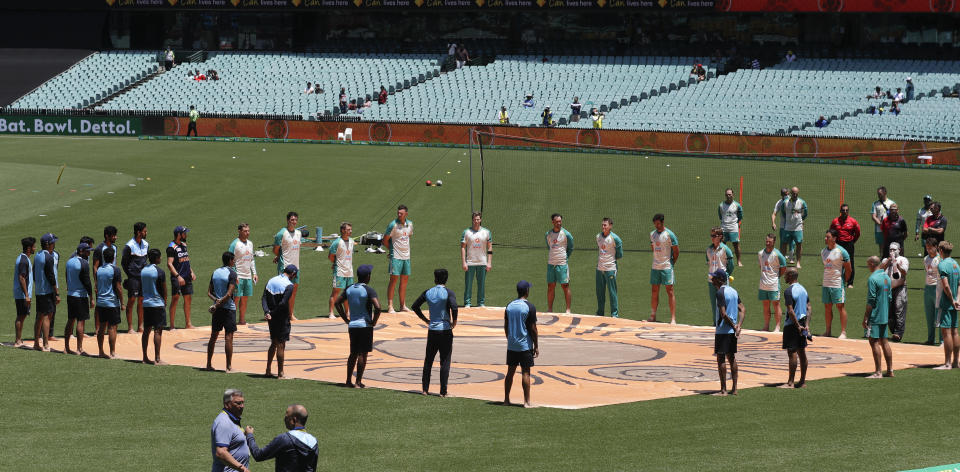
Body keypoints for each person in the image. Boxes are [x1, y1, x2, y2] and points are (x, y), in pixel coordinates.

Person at [411, 268, 458, 397]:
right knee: (445, 361)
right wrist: (454, 322)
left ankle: (425, 389)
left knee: (428, 361)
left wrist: (425, 319)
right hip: (445, 330)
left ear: (435, 279)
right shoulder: (448, 292)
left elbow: (415, 306)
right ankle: (443, 392)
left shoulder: (428, 292)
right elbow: (454, 307)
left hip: (432, 330)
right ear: (446, 279)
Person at [334, 264, 381, 388]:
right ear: (367, 277)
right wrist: (374, 322)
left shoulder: (349, 288)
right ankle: (358, 382)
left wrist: (345, 318)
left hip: (353, 325)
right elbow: (378, 307)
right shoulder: (369, 290)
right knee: (362, 354)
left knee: (353, 353)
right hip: (365, 326)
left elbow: (337, 302)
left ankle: (348, 380)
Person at [244, 404, 318, 472]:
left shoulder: (284, 439)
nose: (284, 419)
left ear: (294, 420)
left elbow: (258, 455)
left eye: (286, 417)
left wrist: (249, 435)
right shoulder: (314, 441)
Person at [504, 280, 538, 407]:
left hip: (512, 345)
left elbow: (506, 326)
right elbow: (533, 328)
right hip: (525, 345)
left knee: (510, 372)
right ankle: (527, 401)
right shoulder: (529, 307)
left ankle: (506, 400)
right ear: (527, 291)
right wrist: (536, 345)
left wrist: (510, 339)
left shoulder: (509, 305)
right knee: (526, 372)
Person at [711, 269, 743, 396]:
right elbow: (743, 309)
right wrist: (738, 326)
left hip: (723, 331)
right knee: (732, 358)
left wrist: (734, 326)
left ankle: (723, 390)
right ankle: (734, 389)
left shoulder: (720, 292)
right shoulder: (734, 291)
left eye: (714, 278)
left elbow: (723, 314)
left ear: (720, 279)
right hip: (732, 331)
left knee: (721, 358)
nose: (712, 280)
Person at [262, 265, 297, 379]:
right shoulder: (289, 285)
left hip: (271, 318)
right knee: (281, 344)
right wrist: (272, 313)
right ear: (292, 274)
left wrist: (267, 312)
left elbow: (263, 298)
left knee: (274, 342)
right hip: (281, 317)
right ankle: (280, 373)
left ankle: (268, 369)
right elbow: (283, 303)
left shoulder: (272, 280)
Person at [206, 252, 239, 372]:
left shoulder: (215, 272)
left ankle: (208, 364)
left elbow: (209, 292)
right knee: (228, 337)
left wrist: (216, 302)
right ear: (230, 260)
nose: (234, 262)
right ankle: (228, 366)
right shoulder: (232, 273)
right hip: (229, 309)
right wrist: (220, 302)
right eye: (233, 260)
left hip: (217, 309)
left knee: (213, 337)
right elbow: (229, 293)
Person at [863, 256, 893, 378]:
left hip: (875, 315)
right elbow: (890, 297)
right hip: (884, 314)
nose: (867, 266)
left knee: (874, 341)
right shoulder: (886, 277)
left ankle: (878, 372)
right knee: (884, 341)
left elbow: (871, 300)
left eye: (867, 264)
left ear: (871, 264)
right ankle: (890, 370)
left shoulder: (872, 279)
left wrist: (866, 317)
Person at [780, 267, 810, 388]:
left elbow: (791, 311)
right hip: (802, 323)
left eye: (786, 275)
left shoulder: (788, 291)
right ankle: (802, 381)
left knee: (792, 352)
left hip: (793, 325)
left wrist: (797, 326)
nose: (784, 277)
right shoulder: (803, 289)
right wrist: (806, 325)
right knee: (802, 352)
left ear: (791, 276)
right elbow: (809, 307)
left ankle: (790, 382)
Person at [64, 242, 94, 355]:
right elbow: (87, 282)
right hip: (80, 296)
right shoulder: (84, 263)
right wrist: (91, 297)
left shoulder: (69, 262)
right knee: (80, 322)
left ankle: (66, 348)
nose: (88, 253)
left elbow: (67, 276)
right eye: (87, 251)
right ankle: (79, 348)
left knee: (70, 320)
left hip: (70, 295)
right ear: (81, 251)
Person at [821, 229, 852, 339]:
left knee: (840, 307)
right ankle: (828, 331)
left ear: (834, 238)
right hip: (826, 283)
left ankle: (843, 332)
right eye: (826, 237)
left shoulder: (841, 251)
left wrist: (845, 281)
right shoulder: (823, 251)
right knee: (827, 307)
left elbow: (848, 268)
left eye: (828, 237)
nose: (825, 239)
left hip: (837, 283)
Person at [211, 389, 251, 472]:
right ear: (227, 404)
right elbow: (221, 453)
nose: (242, 406)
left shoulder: (232, 420)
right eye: (238, 403)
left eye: (243, 402)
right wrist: (242, 468)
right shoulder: (224, 422)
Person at [650, 213, 679, 323]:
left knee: (670, 291)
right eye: (655, 224)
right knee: (654, 290)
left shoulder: (669, 234)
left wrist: (672, 263)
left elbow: (676, 251)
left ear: (662, 222)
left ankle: (673, 318)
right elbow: (652, 247)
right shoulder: (652, 234)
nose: (656, 226)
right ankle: (652, 316)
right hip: (655, 266)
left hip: (667, 266)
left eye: (658, 223)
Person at [95, 247, 124, 359]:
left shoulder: (99, 270)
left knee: (101, 327)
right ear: (113, 258)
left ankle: (101, 351)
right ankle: (112, 352)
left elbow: (97, 286)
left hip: (101, 302)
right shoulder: (115, 270)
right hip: (112, 302)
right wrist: (122, 302)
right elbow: (118, 288)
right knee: (112, 328)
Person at [935, 241, 960, 370]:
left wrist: (951, 300)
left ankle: (947, 363)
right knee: (955, 332)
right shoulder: (956, 264)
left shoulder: (942, 265)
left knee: (946, 333)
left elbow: (945, 285)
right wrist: (957, 300)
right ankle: (956, 362)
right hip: (956, 303)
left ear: (940, 250)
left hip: (946, 303)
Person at [383, 205, 413, 313]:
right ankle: (390, 305)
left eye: (401, 213)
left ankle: (402, 305)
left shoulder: (410, 224)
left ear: (406, 214)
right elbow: (385, 240)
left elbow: (408, 237)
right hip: (395, 256)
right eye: (398, 213)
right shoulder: (393, 225)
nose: (399, 215)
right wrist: (391, 250)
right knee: (393, 280)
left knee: (404, 281)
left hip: (406, 257)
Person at [33, 233, 59, 352]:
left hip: (39, 290)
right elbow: (51, 276)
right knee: (47, 317)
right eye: (53, 242)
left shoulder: (37, 255)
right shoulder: (48, 257)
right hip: (47, 291)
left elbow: (33, 272)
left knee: (39, 316)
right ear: (48, 244)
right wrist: (56, 292)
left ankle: (36, 343)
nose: (54, 245)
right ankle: (46, 344)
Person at [140, 248, 167, 364]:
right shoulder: (160, 272)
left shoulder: (143, 271)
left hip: (146, 304)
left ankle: (145, 357)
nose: (161, 258)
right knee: (157, 331)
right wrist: (165, 301)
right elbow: (164, 289)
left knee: (146, 330)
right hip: (157, 304)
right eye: (160, 256)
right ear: (156, 258)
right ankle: (157, 358)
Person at [273, 212, 301, 320]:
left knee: (293, 291)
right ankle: (280, 314)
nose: (293, 222)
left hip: (296, 267)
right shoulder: (281, 233)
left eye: (295, 220)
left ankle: (290, 314)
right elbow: (275, 249)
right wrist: (278, 256)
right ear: (287, 220)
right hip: (285, 267)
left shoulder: (298, 233)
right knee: (283, 292)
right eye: (292, 220)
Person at [121, 222, 148, 334]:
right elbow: (124, 263)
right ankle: (130, 327)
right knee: (132, 300)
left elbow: (145, 260)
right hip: (133, 278)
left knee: (141, 301)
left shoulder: (146, 244)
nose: (146, 233)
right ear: (138, 232)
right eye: (144, 231)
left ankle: (140, 326)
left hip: (143, 278)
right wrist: (130, 275)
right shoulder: (129, 246)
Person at [92, 225, 119, 334]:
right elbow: (95, 266)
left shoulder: (115, 248)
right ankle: (98, 328)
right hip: (102, 280)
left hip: (113, 279)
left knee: (112, 302)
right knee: (100, 304)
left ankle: (109, 327)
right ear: (107, 236)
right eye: (114, 235)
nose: (116, 237)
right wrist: (96, 282)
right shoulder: (99, 248)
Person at [461, 212, 492, 308]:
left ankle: (481, 303)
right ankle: (467, 303)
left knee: (481, 285)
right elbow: (462, 247)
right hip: (470, 262)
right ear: (472, 220)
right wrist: (464, 262)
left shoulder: (486, 232)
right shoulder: (466, 232)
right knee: (468, 284)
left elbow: (490, 248)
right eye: (475, 219)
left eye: (478, 219)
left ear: (480, 220)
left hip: (482, 262)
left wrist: (489, 262)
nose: (476, 221)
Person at [167, 226, 196, 330]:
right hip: (177, 277)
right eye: (184, 233)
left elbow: (185, 260)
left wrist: (191, 272)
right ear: (179, 234)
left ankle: (188, 324)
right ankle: (172, 326)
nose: (186, 235)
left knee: (188, 298)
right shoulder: (171, 247)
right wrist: (178, 276)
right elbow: (170, 264)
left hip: (187, 276)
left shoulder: (184, 245)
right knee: (175, 299)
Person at [230, 223, 258, 325]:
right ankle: (231, 321)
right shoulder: (234, 244)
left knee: (245, 299)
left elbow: (251, 259)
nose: (247, 233)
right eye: (245, 231)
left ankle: (242, 320)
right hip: (238, 276)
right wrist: (234, 275)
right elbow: (230, 260)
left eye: (248, 231)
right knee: (236, 299)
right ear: (239, 231)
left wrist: (254, 273)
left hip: (247, 276)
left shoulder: (250, 243)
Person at [880, 242, 909, 342]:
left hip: (900, 287)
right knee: (888, 311)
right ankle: (893, 331)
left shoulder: (903, 259)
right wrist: (889, 260)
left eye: (894, 250)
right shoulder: (885, 259)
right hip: (887, 288)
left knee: (899, 309)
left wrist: (897, 264)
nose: (892, 251)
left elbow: (904, 272)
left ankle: (898, 333)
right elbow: (880, 269)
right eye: (890, 250)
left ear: (899, 250)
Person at [545, 213, 574, 313]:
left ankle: (568, 309)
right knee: (550, 286)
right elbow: (549, 246)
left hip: (562, 264)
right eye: (557, 221)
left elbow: (570, 247)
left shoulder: (566, 234)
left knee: (565, 286)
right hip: (551, 263)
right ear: (552, 222)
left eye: (560, 221)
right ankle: (549, 309)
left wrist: (565, 257)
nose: (559, 223)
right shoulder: (548, 234)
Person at [758, 233, 787, 332]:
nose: (767, 243)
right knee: (765, 305)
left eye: (769, 242)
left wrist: (776, 277)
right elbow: (760, 266)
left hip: (774, 284)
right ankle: (766, 326)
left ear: (774, 242)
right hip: (763, 284)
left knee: (776, 304)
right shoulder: (760, 253)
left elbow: (783, 268)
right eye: (766, 241)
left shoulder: (778, 254)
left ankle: (777, 327)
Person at [595, 217, 623, 317]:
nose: (603, 227)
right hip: (599, 268)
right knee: (600, 292)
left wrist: (610, 261)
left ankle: (614, 314)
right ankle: (600, 312)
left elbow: (619, 255)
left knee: (612, 292)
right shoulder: (598, 236)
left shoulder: (615, 239)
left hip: (610, 268)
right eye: (602, 225)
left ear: (610, 226)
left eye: (605, 225)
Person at [707, 226, 735, 322]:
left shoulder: (725, 249)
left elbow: (731, 265)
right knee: (713, 304)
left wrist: (725, 275)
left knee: (723, 303)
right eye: (711, 235)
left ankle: (725, 322)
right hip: (711, 280)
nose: (712, 237)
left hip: (722, 282)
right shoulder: (709, 249)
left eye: (714, 235)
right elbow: (708, 262)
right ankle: (715, 323)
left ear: (720, 236)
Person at [328, 222, 355, 319]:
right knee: (336, 291)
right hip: (339, 271)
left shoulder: (351, 241)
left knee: (348, 292)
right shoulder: (337, 242)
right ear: (343, 230)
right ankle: (331, 312)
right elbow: (331, 256)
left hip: (349, 271)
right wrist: (335, 263)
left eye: (350, 230)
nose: (350, 231)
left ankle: (347, 312)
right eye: (348, 230)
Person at [830, 204, 861, 287]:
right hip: (838, 244)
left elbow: (857, 233)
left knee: (850, 263)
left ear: (848, 211)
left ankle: (850, 283)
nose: (845, 212)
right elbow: (831, 232)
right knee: (837, 262)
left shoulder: (853, 221)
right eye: (843, 210)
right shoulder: (835, 221)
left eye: (846, 210)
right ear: (840, 211)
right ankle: (838, 281)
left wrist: (852, 241)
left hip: (849, 244)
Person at [13, 237, 35, 347]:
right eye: (33, 246)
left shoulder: (24, 258)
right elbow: (22, 278)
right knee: (21, 316)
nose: (35, 248)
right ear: (28, 248)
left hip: (22, 293)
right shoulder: (23, 260)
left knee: (22, 316)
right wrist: (26, 295)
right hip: (22, 294)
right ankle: (18, 341)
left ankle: (19, 339)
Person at [780, 187, 808, 268]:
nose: (795, 195)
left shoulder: (802, 202)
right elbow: (783, 212)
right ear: (791, 193)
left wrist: (801, 220)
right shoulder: (785, 202)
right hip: (787, 227)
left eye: (796, 194)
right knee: (784, 244)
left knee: (799, 244)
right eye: (793, 193)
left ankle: (798, 262)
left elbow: (805, 212)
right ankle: (783, 262)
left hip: (798, 227)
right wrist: (788, 219)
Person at [923, 238, 942, 345]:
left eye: (930, 248)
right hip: (928, 288)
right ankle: (931, 339)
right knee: (929, 315)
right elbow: (927, 272)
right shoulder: (925, 259)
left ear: (936, 247)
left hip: (937, 288)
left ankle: (942, 340)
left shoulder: (940, 259)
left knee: (938, 314)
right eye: (927, 248)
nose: (928, 250)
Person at [718, 188, 743, 266]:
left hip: (733, 227)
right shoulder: (721, 205)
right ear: (725, 195)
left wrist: (736, 223)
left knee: (736, 245)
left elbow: (740, 216)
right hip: (724, 227)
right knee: (722, 245)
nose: (728, 196)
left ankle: (739, 261)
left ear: (733, 195)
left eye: (730, 194)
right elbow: (720, 216)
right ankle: (722, 261)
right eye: (727, 194)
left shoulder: (737, 205)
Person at [871, 186, 895, 255]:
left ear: (885, 193)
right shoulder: (875, 204)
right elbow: (873, 216)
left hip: (889, 228)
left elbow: (895, 216)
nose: (878, 196)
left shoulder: (891, 203)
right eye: (878, 194)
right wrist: (880, 223)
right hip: (879, 229)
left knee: (890, 246)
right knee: (881, 247)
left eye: (880, 194)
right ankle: (882, 261)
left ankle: (890, 261)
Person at [771, 188, 794, 259]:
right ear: (781, 195)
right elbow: (774, 213)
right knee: (782, 242)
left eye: (787, 194)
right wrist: (773, 223)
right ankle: (782, 257)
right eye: (784, 194)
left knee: (792, 242)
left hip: (791, 225)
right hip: (783, 226)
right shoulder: (779, 203)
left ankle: (791, 257)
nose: (786, 195)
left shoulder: (792, 201)